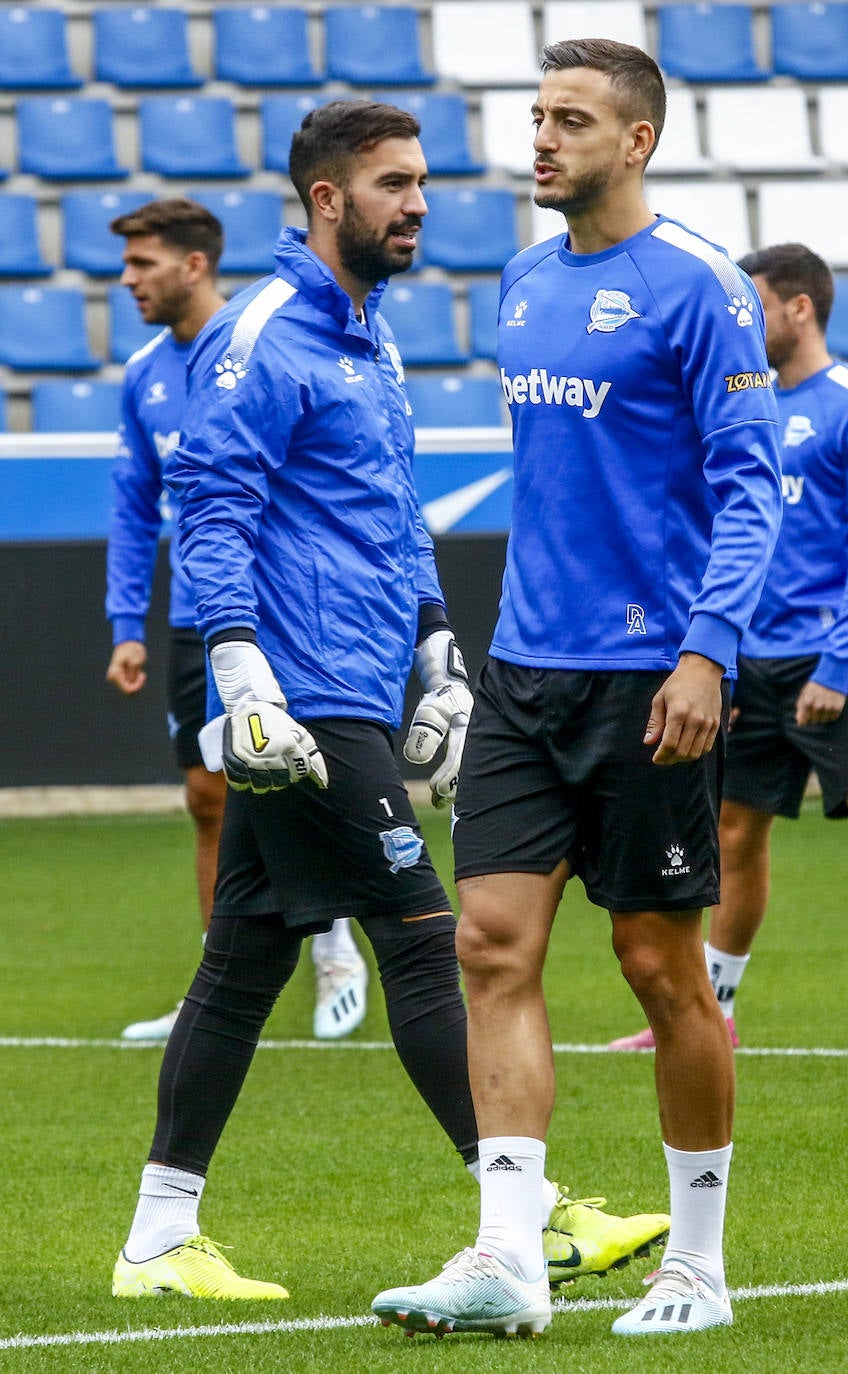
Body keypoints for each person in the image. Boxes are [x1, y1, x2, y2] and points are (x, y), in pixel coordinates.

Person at [111, 99, 670, 1303]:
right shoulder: (265, 334)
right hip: (301, 694)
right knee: (430, 938)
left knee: (242, 962)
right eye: (392, 186)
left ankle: (159, 1237)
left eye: (419, 184)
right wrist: (240, 667)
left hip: (359, 679)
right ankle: (526, 1214)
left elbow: (391, 514)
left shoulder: (369, 337)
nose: (417, 204)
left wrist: (436, 652)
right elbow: (210, 506)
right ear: (327, 200)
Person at [372, 42, 782, 1340]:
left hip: (647, 678)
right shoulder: (522, 276)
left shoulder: (700, 290)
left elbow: (750, 487)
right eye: (534, 115)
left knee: (659, 967)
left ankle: (697, 1265)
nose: (540, 139)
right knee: (485, 943)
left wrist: (708, 651)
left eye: (570, 120)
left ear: (639, 140)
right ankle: (508, 1256)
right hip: (523, 672)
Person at [609, 243, 848, 1060]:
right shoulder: (748, 404)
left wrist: (837, 667)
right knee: (735, 835)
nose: (746, 321)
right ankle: (719, 1006)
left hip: (833, 660)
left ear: (799, 308)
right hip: (753, 665)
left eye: (758, 306)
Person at [106, 198, 369, 1045]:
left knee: (301, 783)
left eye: (142, 264)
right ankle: (215, 982)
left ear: (193, 265)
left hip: (279, 611)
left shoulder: (261, 345)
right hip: (195, 619)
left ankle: (335, 948)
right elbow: (134, 507)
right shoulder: (142, 372)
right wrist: (125, 623)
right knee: (207, 796)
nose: (127, 280)